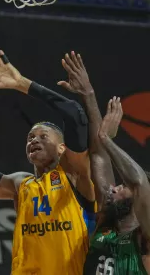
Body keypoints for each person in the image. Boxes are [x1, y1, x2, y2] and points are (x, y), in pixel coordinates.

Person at [0, 50, 96, 275]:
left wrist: (22, 84)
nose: (34, 140)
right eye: (30, 137)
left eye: (43, 136)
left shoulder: (74, 174)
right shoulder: (21, 185)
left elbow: (73, 112)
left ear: (62, 147)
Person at [59, 51, 150, 274]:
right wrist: (88, 94)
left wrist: (106, 139)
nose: (115, 187)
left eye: (122, 187)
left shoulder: (145, 238)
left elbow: (138, 182)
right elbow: (99, 157)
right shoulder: (106, 224)